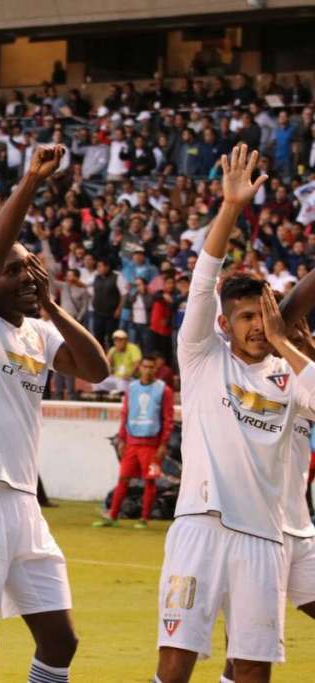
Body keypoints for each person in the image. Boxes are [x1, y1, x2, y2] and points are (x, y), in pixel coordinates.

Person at [0, 145, 109, 683]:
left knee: (61, 640)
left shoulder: (37, 332)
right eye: (16, 272)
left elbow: (96, 369)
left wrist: (52, 303)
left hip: (22, 504)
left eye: (33, 269)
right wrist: (32, 182)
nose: (26, 277)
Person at [154, 145, 315, 683]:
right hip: (200, 527)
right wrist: (230, 207)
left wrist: (283, 342)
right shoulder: (201, 357)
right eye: (244, 316)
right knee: (175, 666)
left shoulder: (288, 372)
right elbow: (204, 281)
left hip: (265, 540)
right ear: (224, 323)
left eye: (262, 314)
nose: (254, 325)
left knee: (251, 671)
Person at [222, 315, 315, 683]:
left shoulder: (299, 377)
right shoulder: (245, 374)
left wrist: (305, 350)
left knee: (244, 654)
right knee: (244, 654)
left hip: (300, 529)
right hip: (256, 532)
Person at [93, 352, 174, 528]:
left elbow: (168, 419)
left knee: (150, 481)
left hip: (152, 445)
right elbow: (125, 414)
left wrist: (163, 444)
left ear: (157, 369)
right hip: (132, 443)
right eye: (145, 366)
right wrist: (122, 439)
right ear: (140, 368)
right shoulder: (132, 388)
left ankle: (144, 519)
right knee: (123, 479)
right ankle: (112, 517)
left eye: (152, 367)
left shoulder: (164, 390)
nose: (148, 370)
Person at [94, 329, 141, 395]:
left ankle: (120, 397)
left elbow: (137, 364)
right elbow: (106, 365)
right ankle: (101, 397)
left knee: (122, 382)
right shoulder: (113, 350)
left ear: (126, 340)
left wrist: (129, 375)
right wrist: (112, 354)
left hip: (131, 378)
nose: (118, 342)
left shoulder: (133, 348)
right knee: (99, 381)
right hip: (117, 377)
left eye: (121, 340)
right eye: (116, 340)